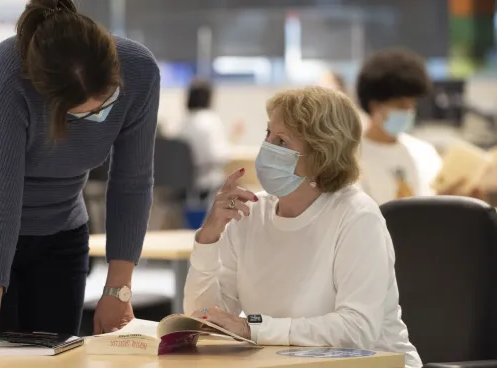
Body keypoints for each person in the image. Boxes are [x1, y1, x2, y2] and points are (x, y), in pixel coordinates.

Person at [0, 0, 159, 354]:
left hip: (59, 219)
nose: (98, 115)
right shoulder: (7, 73)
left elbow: (133, 182)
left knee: (55, 353)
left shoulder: (141, 70)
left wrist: (117, 292)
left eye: (105, 102)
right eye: (81, 112)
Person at [184, 86, 422, 368]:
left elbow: (357, 330)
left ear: (322, 155)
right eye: (267, 135)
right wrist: (209, 238)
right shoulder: (249, 212)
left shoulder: (357, 215)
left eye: (282, 141)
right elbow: (207, 317)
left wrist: (253, 327)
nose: (267, 147)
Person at [356, 48, 442, 204]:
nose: (408, 111)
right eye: (400, 105)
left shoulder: (424, 153)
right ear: (375, 105)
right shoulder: (353, 158)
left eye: (412, 104)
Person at [177, 79, 230, 197]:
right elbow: (220, 155)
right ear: (209, 98)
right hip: (208, 184)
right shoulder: (211, 120)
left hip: (185, 185)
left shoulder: (184, 123)